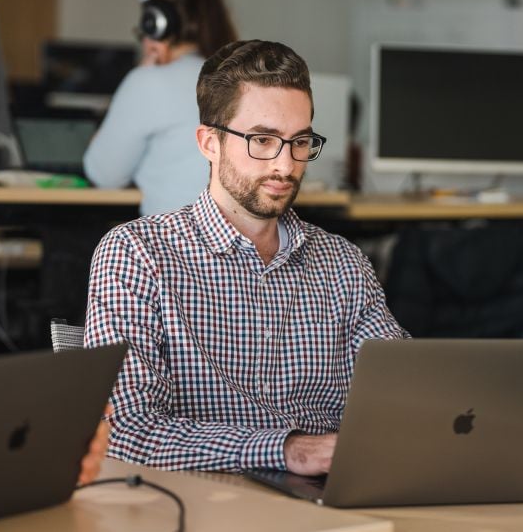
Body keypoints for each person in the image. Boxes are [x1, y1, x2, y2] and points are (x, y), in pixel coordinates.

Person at [84, 40, 409, 475]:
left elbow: (404, 392)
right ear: (209, 142)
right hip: (203, 497)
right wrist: (288, 450)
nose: (285, 164)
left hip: (332, 492)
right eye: (262, 140)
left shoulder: (343, 262)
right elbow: (126, 432)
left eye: (300, 142)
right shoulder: (138, 254)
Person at [83, 0, 237, 216]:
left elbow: (104, 175)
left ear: (155, 25)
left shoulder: (148, 81)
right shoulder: (242, 80)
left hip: (172, 244)